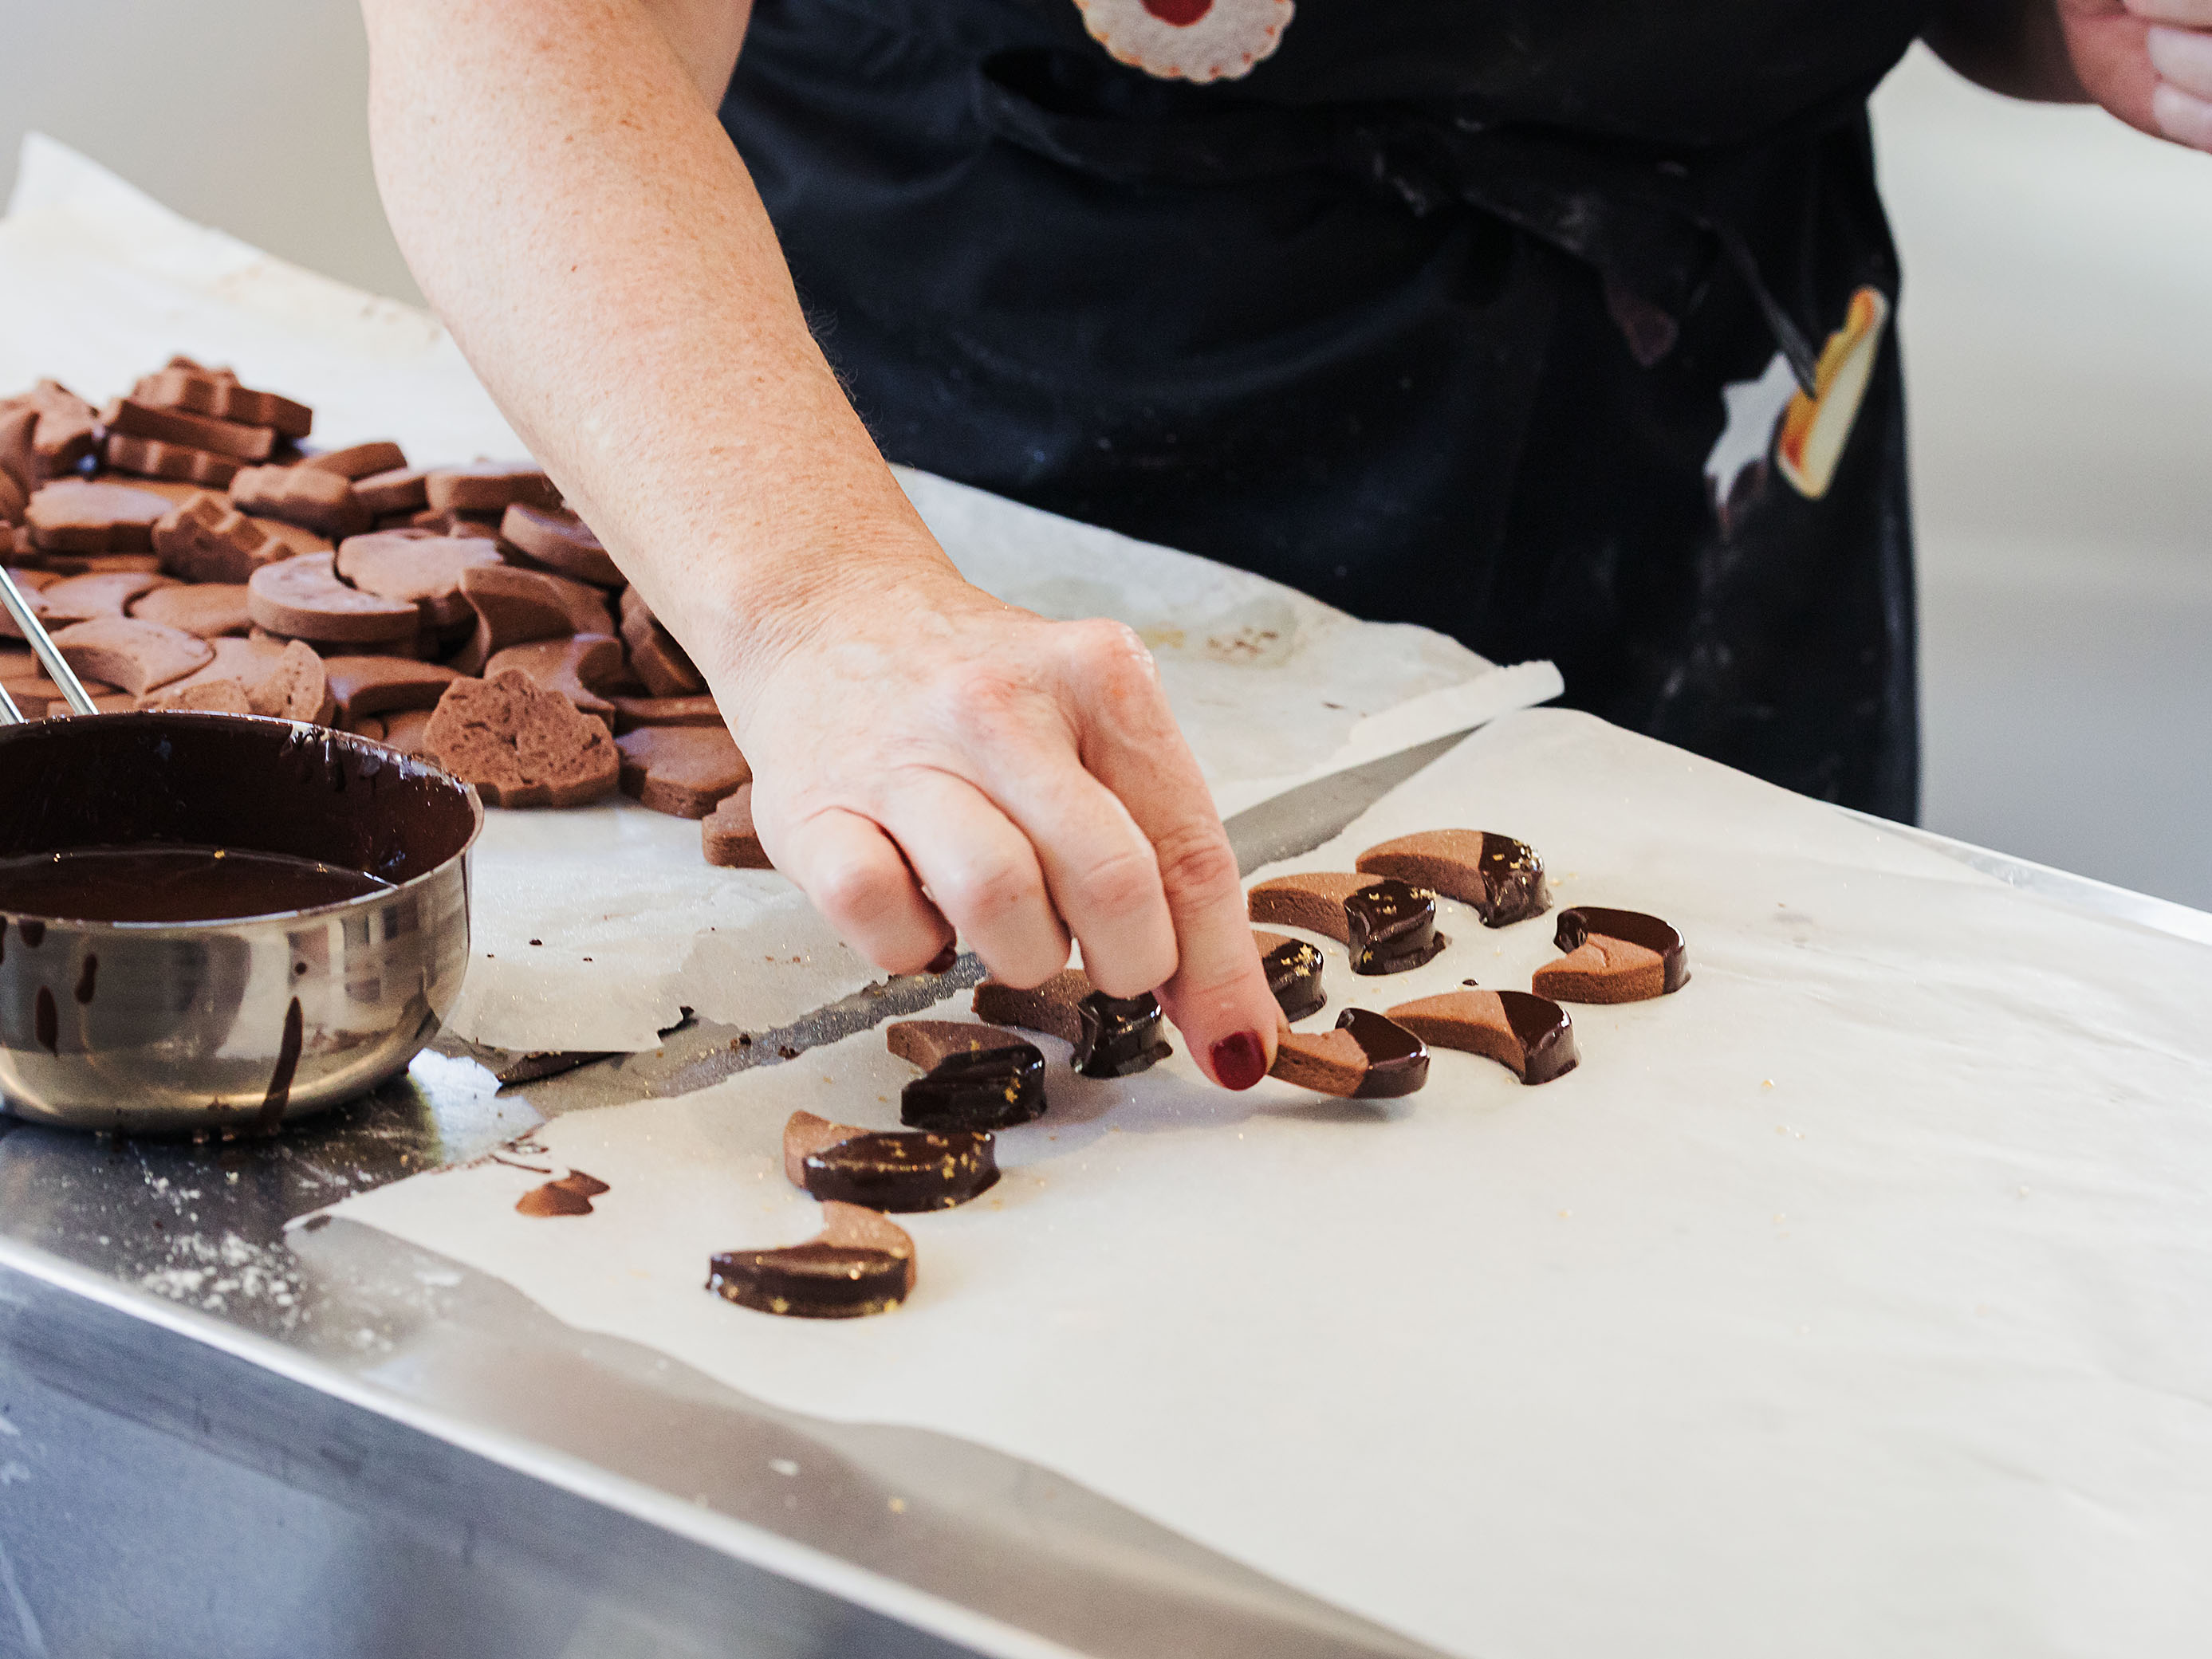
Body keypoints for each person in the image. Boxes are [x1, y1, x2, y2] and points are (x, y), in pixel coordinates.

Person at [358, 0, 2210, 1091]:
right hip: (964, 525)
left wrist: (2069, 24)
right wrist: (820, 598)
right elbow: (529, 41)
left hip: (1698, 468)